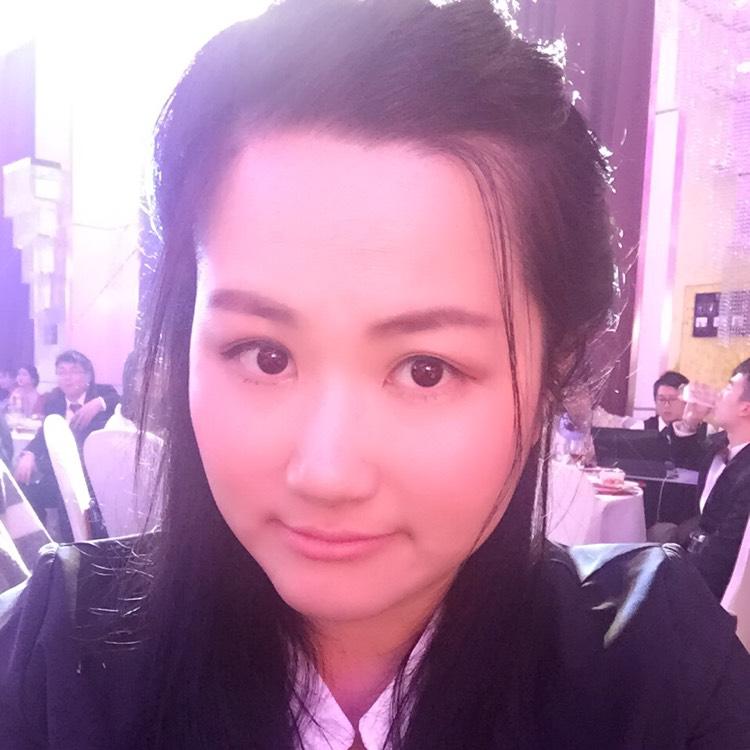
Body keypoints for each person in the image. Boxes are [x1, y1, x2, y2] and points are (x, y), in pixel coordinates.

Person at [1, 2, 749, 748]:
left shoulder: (656, 678)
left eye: (426, 370)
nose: (327, 474)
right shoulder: (54, 663)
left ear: (555, 372)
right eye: (265, 355)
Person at [651, 359, 750, 600]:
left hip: (711, 589)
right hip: (693, 561)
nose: (718, 394)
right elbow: (683, 460)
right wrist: (690, 421)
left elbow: (725, 550)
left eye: (728, 387)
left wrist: (673, 582)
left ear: (745, 408)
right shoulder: (721, 445)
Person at [13, 350, 119, 541]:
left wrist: (99, 403)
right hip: (58, 473)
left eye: (74, 371)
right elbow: (44, 433)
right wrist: (29, 453)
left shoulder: (103, 394)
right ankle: (37, 542)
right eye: (62, 372)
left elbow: (126, 399)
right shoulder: (54, 401)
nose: (67, 377)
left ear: (88, 376)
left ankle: (76, 547)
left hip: (92, 476)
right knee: (23, 485)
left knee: (68, 495)